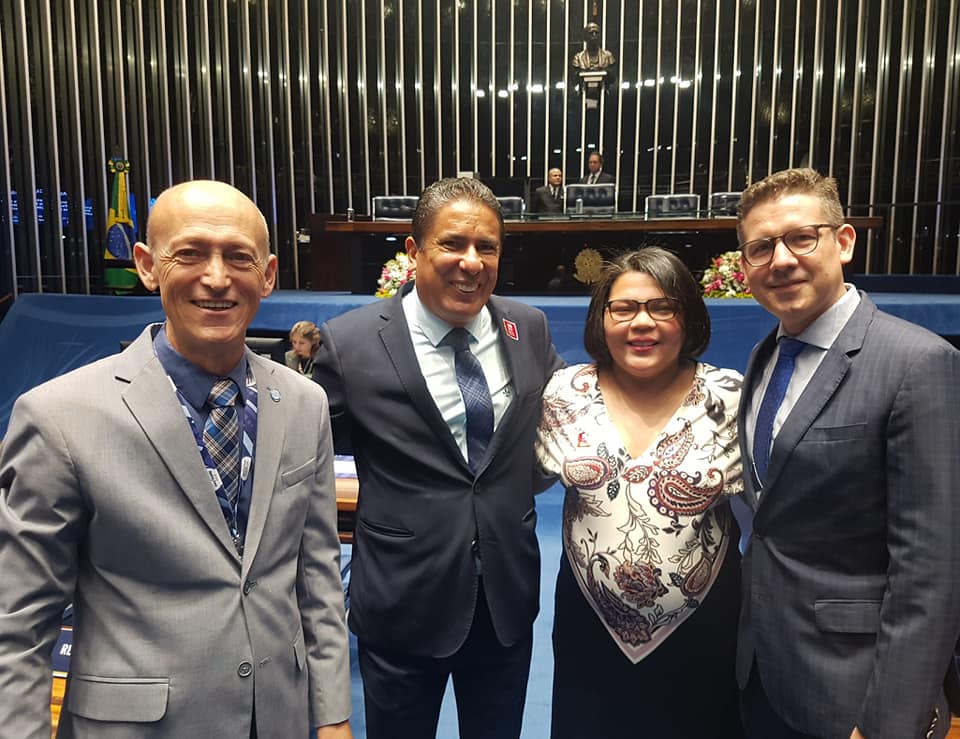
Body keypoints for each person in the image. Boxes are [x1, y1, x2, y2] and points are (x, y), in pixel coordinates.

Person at [0, 180, 352, 739]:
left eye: (238, 257)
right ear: (147, 265)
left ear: (268, 275)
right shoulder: (58, 416)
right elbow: (18, 623)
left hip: (277, 719)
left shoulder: (305, 403)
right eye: (190, 253)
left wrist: (332, 715)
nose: (217, 277)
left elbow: (318, 576)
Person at [312, 177, 564, 739]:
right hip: (403, 602)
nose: (471, 262)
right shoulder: (350, 342)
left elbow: (561, 423)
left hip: (504, 600)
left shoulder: (528, 327)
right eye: (452, 243)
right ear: (414, 250)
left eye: (487, 247)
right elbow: (305, 458)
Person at [734, 167, 960, 739]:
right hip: (762, 672)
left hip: (855, 692)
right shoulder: (765, 356)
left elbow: (932, 568)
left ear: (844, 241)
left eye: (801, 238)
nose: (781, 260)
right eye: (761, 247)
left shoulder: (918, 363)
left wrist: (888, 722)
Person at [537, 247, 744, 738]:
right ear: (601, 318)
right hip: (589, 623)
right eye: (624, 308)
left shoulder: (731, 396)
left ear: (687, 316)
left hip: (705, 626)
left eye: (662, 307)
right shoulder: (564, 393)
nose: (642, 322)